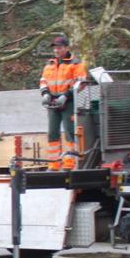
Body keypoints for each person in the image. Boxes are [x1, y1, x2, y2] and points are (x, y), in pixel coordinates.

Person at [39, 35, 88, 170]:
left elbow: (81, 83)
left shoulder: (76, 64)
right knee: (52, 133)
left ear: (66, 48)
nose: (56, 50)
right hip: (52, 102)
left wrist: (66, 95)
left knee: (69, 132)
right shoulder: (49, 65)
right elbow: (43, 81)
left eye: (59, 48)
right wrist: (45, 93)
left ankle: (69, 164)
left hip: (69, 102)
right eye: (55, 48)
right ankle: (54, 164)